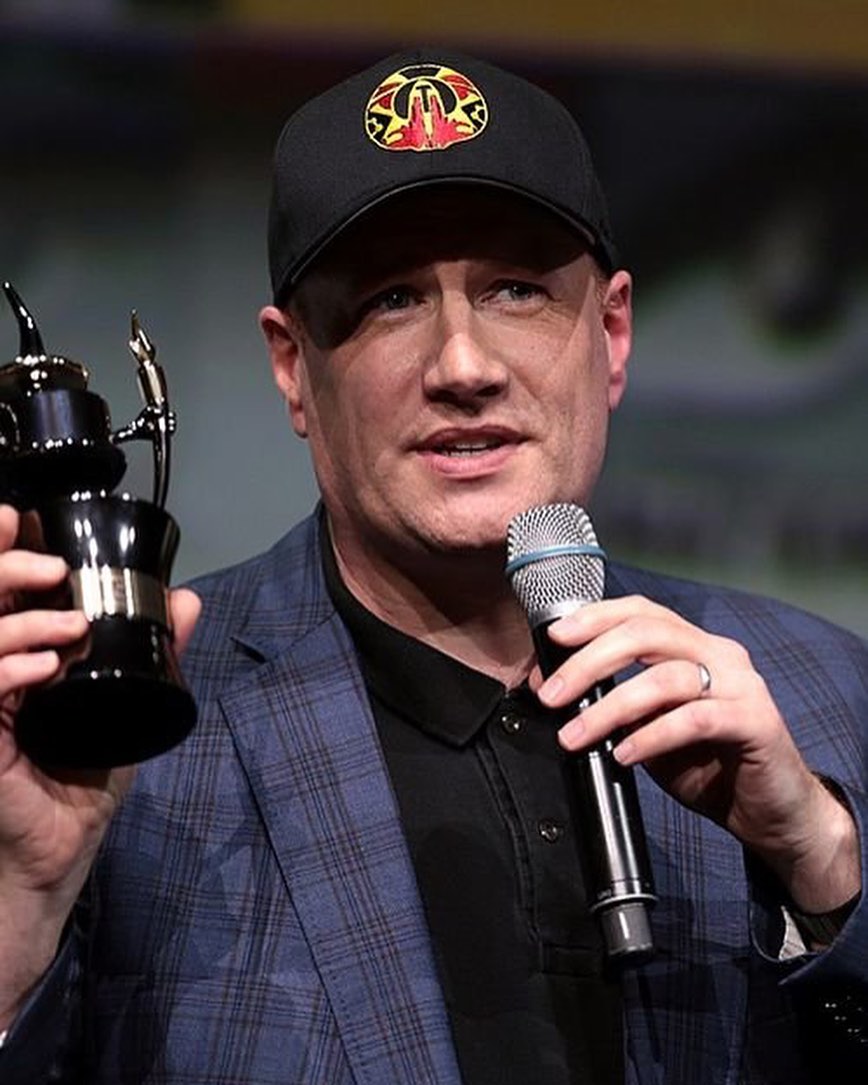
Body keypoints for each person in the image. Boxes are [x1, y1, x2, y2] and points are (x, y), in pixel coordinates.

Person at [0, 48, 866, 1084]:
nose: (463, 365)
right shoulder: (126, 738)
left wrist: (824, 869)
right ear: (293, 367)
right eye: (391, 300)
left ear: (613, 332)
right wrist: (17, 918)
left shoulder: (829, 696)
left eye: (516, 289)